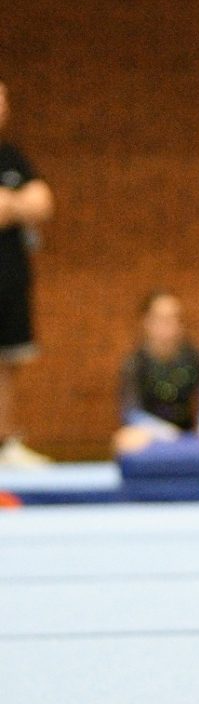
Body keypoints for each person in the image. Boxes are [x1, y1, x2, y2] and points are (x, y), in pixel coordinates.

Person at [0, 79, 54, 468]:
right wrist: (20, 205)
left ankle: (4, 442)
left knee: (7, 360)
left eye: (4, 97)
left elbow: (43, 203)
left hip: (10, 276)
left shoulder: (11, 157)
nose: (2, 104)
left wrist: (10, 205)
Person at [113, 291, 199, 456]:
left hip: (187, 436)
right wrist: (164, 432)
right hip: (149, 435)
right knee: (124, 439)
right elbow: (130, 412)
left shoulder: (194, 357)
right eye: (162, 319)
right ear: (147, 322)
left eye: (174, 318)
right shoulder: (135, 363)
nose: (169, 325)